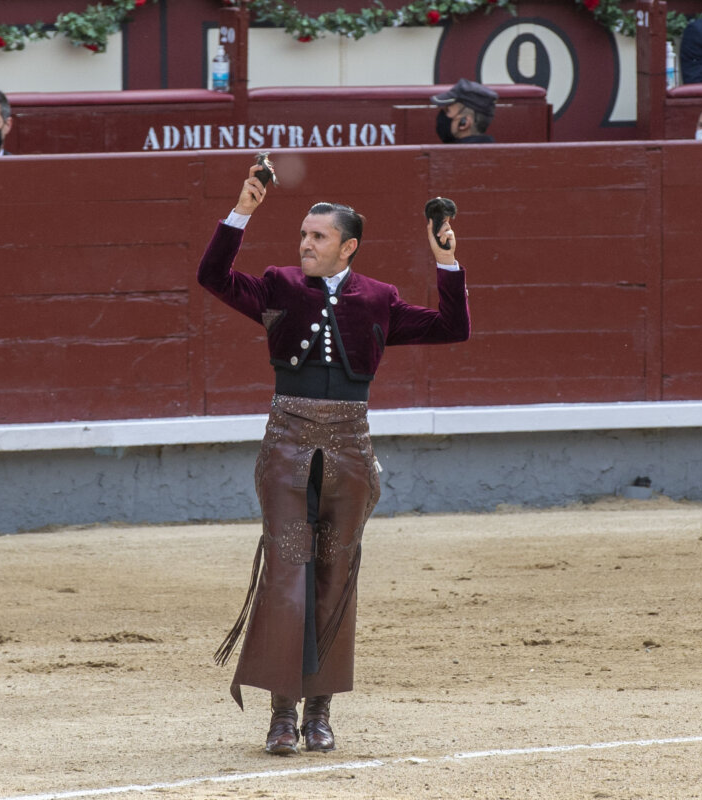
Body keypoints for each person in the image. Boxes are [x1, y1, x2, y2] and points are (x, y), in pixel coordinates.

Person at [198, 163, 471, 755]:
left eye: (318, 237)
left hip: (350, 450)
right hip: (287, 445)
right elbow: (212, 276)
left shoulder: (378, 298)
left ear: (348, 247)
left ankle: (319, 712)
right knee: (287, 576)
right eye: (303, 235)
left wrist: (445, 259)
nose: (305, 244)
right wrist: (242, 210)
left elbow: (453, 327)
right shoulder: (277, 285)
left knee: (335, 576)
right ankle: (281, 714)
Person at [431, 78, 498, 143]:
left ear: (464, 123)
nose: (443, 116)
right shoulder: (493, 149)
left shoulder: (458, 151)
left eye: (448, 111)